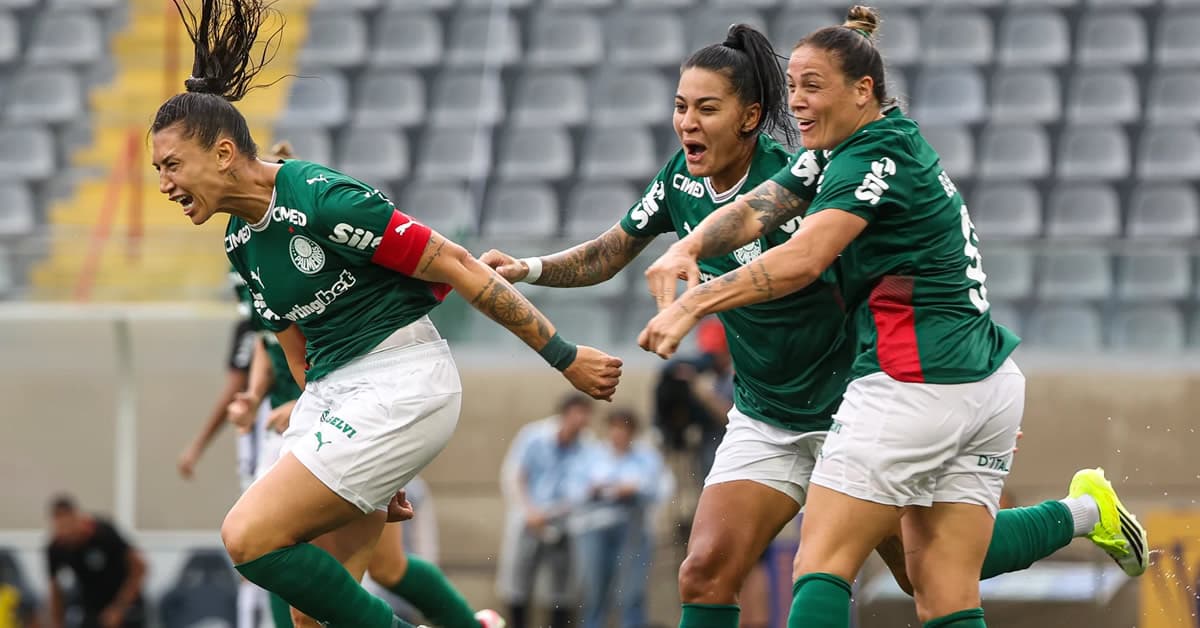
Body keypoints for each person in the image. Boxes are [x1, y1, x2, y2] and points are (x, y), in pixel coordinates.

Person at [483, 20, 1148, 628]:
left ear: (749, 117)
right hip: (776, 411)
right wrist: (533, 267)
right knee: (706, 569)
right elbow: (632, 245)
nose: (687, 121)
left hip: (862, 400)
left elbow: (806, 262)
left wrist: (692, 302)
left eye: (706, 108)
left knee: (914, 571)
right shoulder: (729, 175)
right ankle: (1086, 510)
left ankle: (1078, 513)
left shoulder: (838, 168)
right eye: (681, 107)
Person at [148, 1, 622, 626]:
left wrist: (564, 355)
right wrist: (371, 460)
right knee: (309, 618)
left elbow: (458, 264)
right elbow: (299, 353)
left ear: (224, 152)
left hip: (402, 379)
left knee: (247, 536)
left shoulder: (322, 200)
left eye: (172, 165)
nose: (164, 184)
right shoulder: (240, 242)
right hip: (339, 399)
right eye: (158, 170)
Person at [223, 139, 506, 628]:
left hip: (355, 414)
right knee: (304, 575)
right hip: (313, 420)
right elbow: (273, 343)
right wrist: (253, 396)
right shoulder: (243, 250)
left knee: (294, 552)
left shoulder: (321, 236)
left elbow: (342, 338)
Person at [504, 394, 596, 628]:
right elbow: (515, 475)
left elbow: (583, 488)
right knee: (518, 582)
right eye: (578, 413)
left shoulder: (588, 445)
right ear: (565, 413)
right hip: (527, 519)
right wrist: (529, 510)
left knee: (562, 588)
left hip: (563, 522)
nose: (582, 420)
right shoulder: (533, 436)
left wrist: (554, 513)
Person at [572, 409, 667, 628]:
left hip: (632, 528)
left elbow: (658, 489)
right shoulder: (591, 455)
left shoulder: (646, 456)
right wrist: (593, 489)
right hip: (594, 527)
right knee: (594, 590)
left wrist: (634, 489)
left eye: (624, 429)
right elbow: (573, 490)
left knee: (631, 591)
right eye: (614, 428)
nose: (618, 434)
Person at [44, 496, 146, 628]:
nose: (66, 535)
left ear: (76, 519)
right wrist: (57, 624)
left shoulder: (104, 533)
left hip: (125, 602)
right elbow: (55, 590)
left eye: (68, 527)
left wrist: (119, 608)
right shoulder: (56, 547)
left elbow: (140, 567)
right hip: (92, 607)